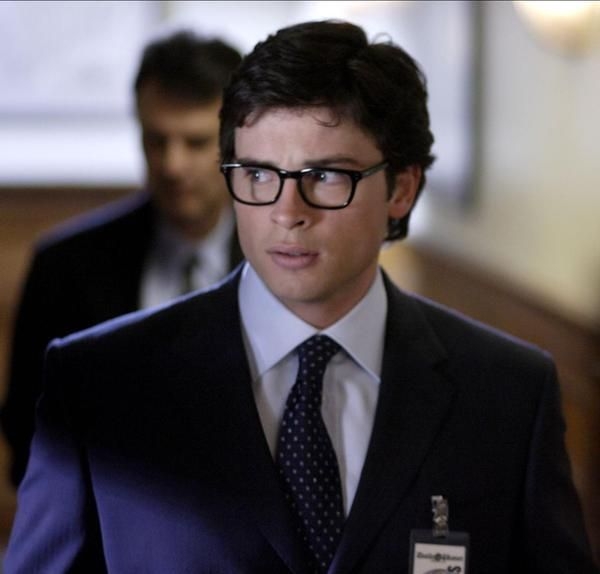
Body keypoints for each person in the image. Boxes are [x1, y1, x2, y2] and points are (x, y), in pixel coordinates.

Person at [4, 19, 598, 574]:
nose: (287, 213)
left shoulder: (509, 395)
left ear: (401, 188)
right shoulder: (96, 385)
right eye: (259, 174)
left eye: (326, 176)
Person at [0, 30, 244, 487]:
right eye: (156, 141)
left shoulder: (282, 265)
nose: (172, 165)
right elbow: (27, 431)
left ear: (237, 143)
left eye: (195, 143)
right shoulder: (65, 266)